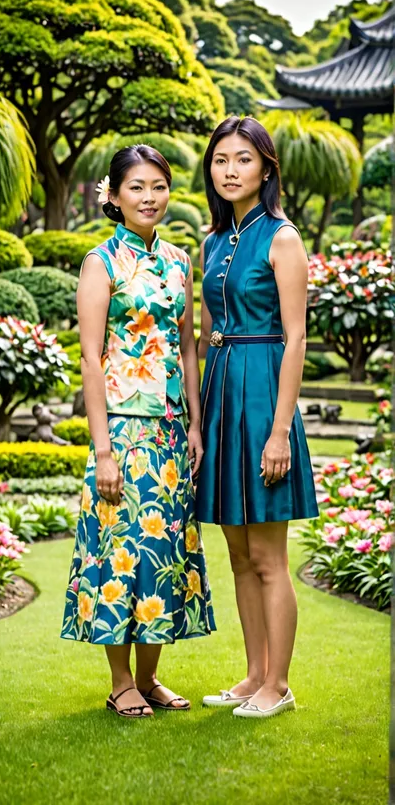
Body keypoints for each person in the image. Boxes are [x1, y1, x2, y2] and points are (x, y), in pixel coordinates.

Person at [61, 144, 215, 718]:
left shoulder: (179, 260)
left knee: (165, 551)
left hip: (173, 434)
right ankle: (121, 680)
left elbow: (187, 348)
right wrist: (102, 450)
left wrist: (197, 423)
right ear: (115, 196)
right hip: (122, 433)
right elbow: (90, 357)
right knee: (120, 551)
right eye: (137, 188)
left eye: (158, 186)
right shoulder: (100, 262)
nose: (149, 198)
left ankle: (150, 679)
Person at [196, 116, 319, 719]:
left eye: (242, 160)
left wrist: (278, 431)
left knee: (270, 556)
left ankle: (281, 684)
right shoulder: (212, 241)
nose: (230, 171)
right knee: (239, 553)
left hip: (263, 393)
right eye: (220, 160)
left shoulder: (283, 238)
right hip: (221, 396)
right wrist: (199, 423)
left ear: (266, 168)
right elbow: (206, 333)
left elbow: (296, 339)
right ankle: (253, 676)